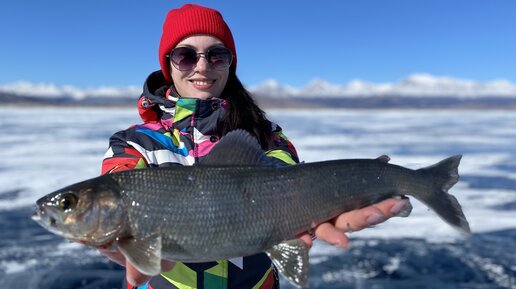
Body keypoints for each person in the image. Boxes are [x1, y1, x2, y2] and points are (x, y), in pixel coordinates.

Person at [99, 4, 412, 289]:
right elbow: (113, 202)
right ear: (169, 64)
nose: (202, 66)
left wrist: (324, 206)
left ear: (230, 63)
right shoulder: (135, 144)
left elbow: (291, 193)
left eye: (216, 55)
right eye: (186, 55)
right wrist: (117, 244)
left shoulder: (267, 136)